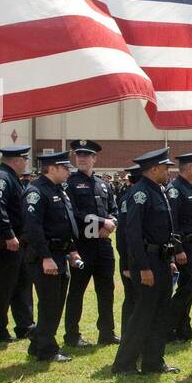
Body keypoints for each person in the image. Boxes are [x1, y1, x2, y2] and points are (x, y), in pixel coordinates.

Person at [111, 148, 181, 376]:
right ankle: (124, 364)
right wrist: (142, 267)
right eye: (164, 168)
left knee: (160, 313)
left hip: (161, 260)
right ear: (153, 169)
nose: (168, 172)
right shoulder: (139, 193)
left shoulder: (157, 190)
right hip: (147, 261)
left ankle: (153, 361)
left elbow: (163, 230)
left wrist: (169, 259)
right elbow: (132, 234)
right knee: (142, 314)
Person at [23, 151, 82, 363]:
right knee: (49, 304)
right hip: (45, 256)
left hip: (60, 253)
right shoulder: (36, 191)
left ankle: (37, 342)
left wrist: (72, 249)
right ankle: (46, 349)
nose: (68, 172)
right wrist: (45, 257)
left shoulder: (58, 190)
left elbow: (66, 223)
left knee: (56, 303)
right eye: (65, 168)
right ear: (53, 168)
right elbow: (33, 227)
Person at [63, 140, 120, 347]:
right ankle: (72, 335)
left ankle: (107, 332)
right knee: (77, 291)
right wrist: (100, 222)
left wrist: (111, 222)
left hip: (103, 245)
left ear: (94, 158)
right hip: (83, 245)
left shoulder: (103, 184)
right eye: (79, 155)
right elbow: (73, 214)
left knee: (106, 290)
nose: (82, 158)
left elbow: (114, 210)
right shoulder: (69, 184)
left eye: (87, 155)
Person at [0, 144, 35, 343]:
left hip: (18, 242)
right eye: (25, 160)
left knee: (22, 283)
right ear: (16, 161)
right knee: (3, 286)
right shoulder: (1, 178)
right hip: (6, 242)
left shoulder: (10, 177)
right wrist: (8, 235)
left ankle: (25, 325)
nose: (25, 164)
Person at [166, 150, 192, 342]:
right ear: (188, 168)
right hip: (184, 247)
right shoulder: (175, 189)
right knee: (184, 289)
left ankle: (184, 328)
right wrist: (178, 249)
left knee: (189, 289)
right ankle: (169, 328)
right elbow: (172, 222)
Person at [116, 163, 144, 339]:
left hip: (134, 257)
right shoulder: (129, 198)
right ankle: (128, 335)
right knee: (132, 299)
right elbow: (123, 234)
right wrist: (126, 264)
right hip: (130, 259)